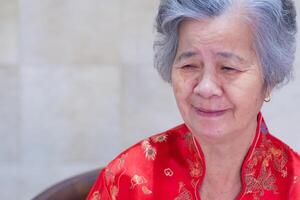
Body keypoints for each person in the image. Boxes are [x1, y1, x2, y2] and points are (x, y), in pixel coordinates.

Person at [87, 0, 300, 199]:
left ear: (269, 78)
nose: (205, 88)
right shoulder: (128, 180)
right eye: (189, 66)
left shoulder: (295, 186)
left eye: (228, 68)